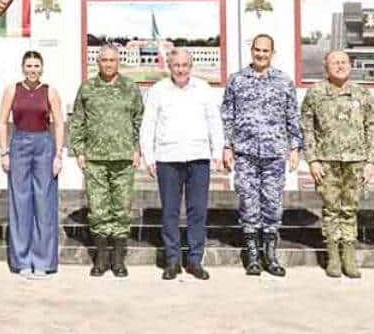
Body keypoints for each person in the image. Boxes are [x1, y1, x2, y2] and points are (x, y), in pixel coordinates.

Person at [220, 34, 302, 277]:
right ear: (252, 51)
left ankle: (270, 255)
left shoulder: (284, 81)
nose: (261, 54)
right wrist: (227, 146)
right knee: (248, 201)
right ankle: (252, 255)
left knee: (273, 204)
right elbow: (227, 115)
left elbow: (292, 116)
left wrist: (295, 147)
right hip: (245, 153)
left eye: (266, 51)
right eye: (257, 50)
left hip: (274, 153)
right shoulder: (236, 80)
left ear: (272, 53)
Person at [140, 48, 223, 280]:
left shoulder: (203, 89)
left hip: (198, 158)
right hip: (168, 158)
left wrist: (216, 152)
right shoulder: (158, 91)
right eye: (176, 65)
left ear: (191, 66)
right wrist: (149, 156)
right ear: (169, 66)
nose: (181, 70)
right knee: (170, 212)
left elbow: (214, 122)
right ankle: (173, 260)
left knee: (197, 211)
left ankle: (195, 260)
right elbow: (148, 124)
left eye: (185, 65)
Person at [301, 50, 374, 279]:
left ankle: (349, 256)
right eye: (335, 62)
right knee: (331, 209)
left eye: (344, 62)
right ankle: (333, 256)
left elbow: (372, 127)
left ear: (350, 66)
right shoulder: (315, 93)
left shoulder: (362, 94)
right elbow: (307, 128)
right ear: (326, 66)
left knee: (350, 209)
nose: (340, 66)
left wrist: (371, 161)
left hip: (356, 161)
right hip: (326, 161)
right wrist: (312, 160)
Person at [70, 44, 144, 278]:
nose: (108, 64)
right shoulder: (87, 88)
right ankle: (101, 259)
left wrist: (137, 148)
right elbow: (77, 121)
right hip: (95, 159)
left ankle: (119, 260)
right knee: (99, 210)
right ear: (98, 62)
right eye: (104, 60)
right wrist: (79, 151)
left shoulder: (130, 88)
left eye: (112, 60)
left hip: (123, 158)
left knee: (121, 209)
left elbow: (139, 119)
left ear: (118, 62)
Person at [0, 51, 65, 279]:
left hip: (44, 145)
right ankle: (23, 261)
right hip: (19, 145)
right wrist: (4, 152)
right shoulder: (12, 90)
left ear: (42, 68)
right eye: (29, 66)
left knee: (45, 203)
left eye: (36, 66)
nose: (32, 70)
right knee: (20, 202)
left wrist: (58, 155)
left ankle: (43, 261)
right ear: (22, 67)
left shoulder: (50, 92)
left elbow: (59, 125)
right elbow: (2, 122)